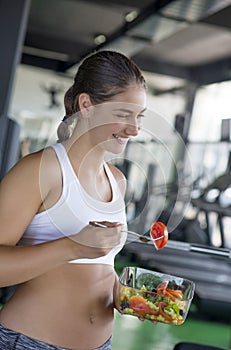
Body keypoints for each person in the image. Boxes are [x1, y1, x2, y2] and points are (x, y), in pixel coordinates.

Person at [0, 50, 147, 349]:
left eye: (139, 117)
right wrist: (72, 245)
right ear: (87, 105)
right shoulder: (41, 170)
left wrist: (126, 297)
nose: (135, 129)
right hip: (31, 342)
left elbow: (100, 267)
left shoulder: (117, 181)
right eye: (123, 115)